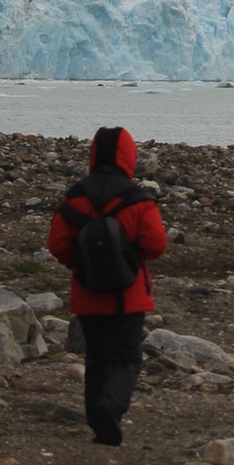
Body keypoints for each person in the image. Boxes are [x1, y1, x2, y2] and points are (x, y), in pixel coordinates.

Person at [49, 126, 167, 447]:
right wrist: (129, 255)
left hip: (88, 294)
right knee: (126, 358)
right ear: (130, 156)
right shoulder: (137, 198)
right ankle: (110, 407)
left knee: (97, 358)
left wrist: (80, 262)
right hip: (129, 296)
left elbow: (57, 242)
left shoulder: (76, 195)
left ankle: (98, 422)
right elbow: (156, 245)